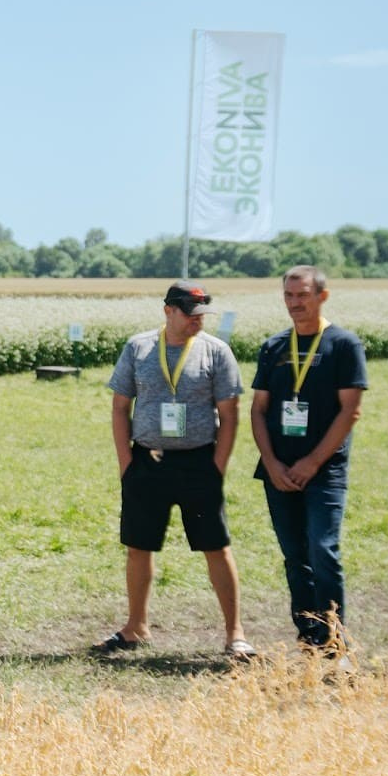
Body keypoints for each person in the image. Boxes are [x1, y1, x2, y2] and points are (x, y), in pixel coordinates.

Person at [97, 280, 251, 661]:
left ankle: (235, 633)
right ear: (168, 311)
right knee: (139, 546)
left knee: (215, 546)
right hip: (146, 462)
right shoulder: (139, 347)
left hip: (199, 463)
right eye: (191, 314)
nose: (199, 321)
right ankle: (136, 627)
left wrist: (217, 466)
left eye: (203, 315)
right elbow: (120, 407)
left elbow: (230, 415)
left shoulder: (217, 352)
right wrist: (125, 463)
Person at [249, 266, 368, 654]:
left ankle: (337, 640)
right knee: (295, 557)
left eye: (302, 295)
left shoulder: (343, 345)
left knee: (323, 550)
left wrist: (312, 464)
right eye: (288, 295)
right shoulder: (274, 347)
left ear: (322, 296)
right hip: (278, 471)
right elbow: (258, 409)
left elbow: (349, 411)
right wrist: (271, 462)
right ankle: (309, 638)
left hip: (324, 472)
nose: (295, 303)